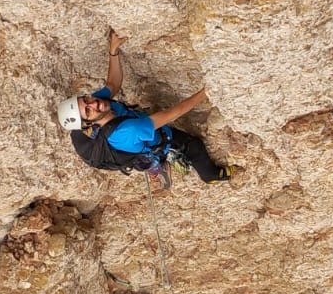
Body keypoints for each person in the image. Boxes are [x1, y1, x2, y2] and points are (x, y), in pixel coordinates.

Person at [57, 29, 232, 185]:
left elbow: (113, 84)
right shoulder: (128, 130)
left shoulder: (100, 105)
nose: (93, 103)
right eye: (87, 110)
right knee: (194, 146)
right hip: (153, 140)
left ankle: (152, 163)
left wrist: (113, 51)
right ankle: (211, 176)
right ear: (88, 124)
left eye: (86, 100)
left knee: (144, 139)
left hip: (135, 134)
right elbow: (172, 113)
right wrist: (207, 91)